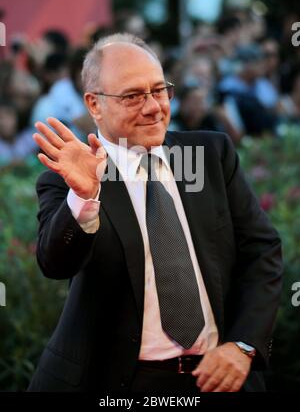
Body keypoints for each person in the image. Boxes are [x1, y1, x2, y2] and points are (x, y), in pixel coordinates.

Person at [28, 33, 282, 393]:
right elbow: (55, 263)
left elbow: (262, 251)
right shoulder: (71, 182)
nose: (152, 107)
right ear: (94, 104)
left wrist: (243, 345)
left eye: (159, 90)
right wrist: (85, 197)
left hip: (222, 374)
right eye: (133, 96)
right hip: (123, 383)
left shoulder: (210, 155)